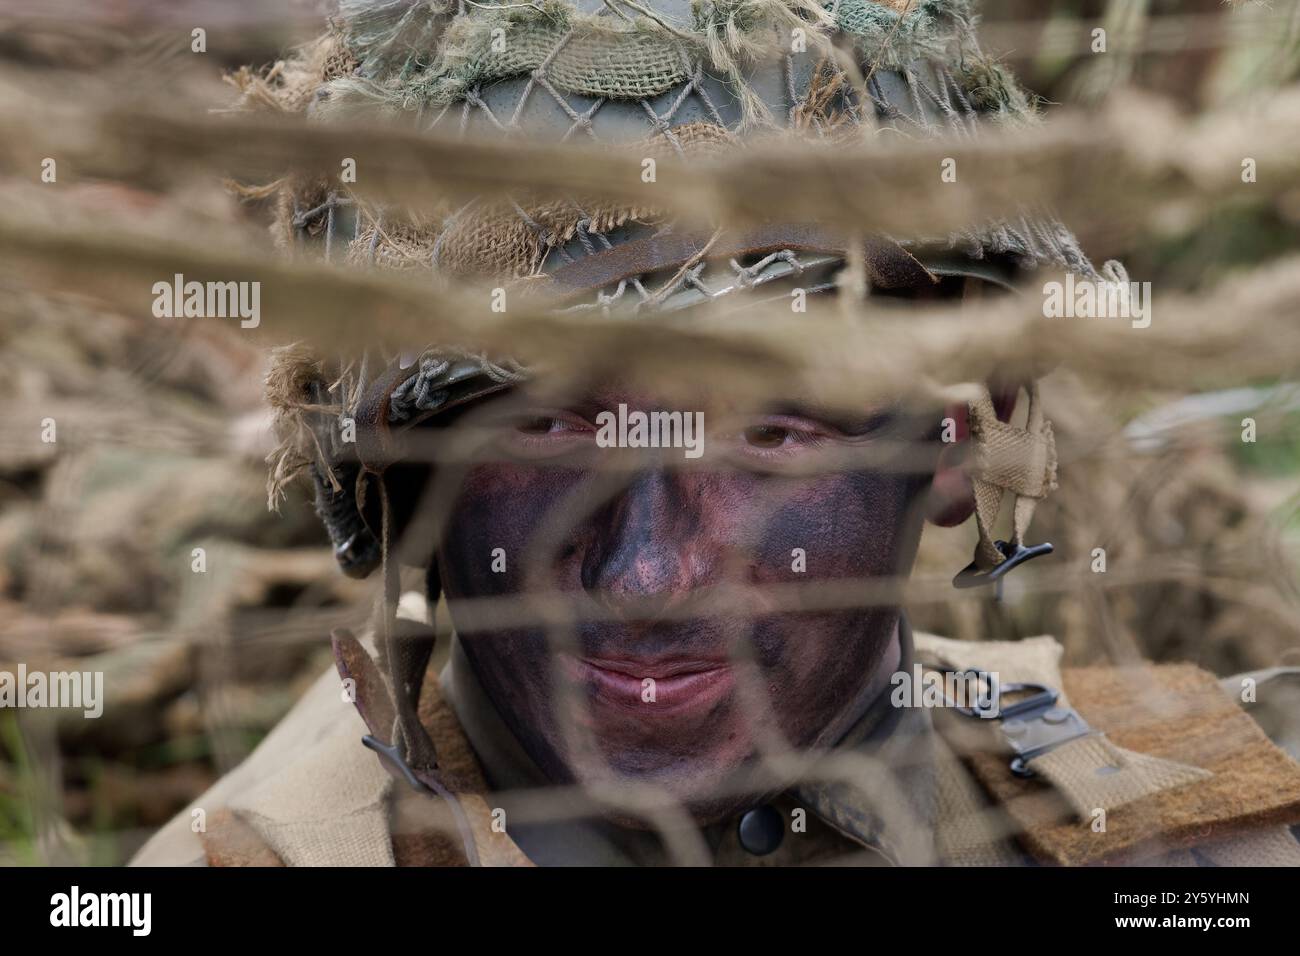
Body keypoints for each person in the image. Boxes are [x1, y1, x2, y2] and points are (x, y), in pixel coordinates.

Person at [133, 0, 1300, 867]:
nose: (644, 569)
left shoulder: (1188, 833)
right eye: (546, 430)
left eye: (770, 440)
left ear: (954, 437)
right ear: (399, 471)